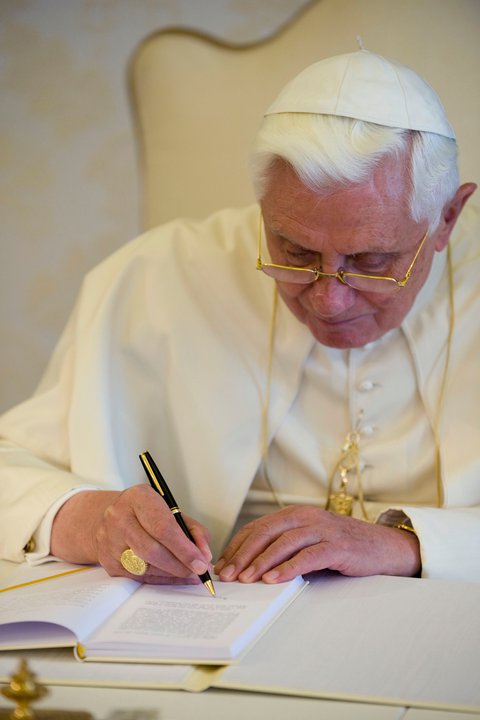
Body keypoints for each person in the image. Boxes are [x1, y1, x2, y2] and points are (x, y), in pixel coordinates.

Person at [0, 49, 478, 585]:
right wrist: (89, 520)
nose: (328, 300)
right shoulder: (158, 275)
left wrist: (408, 545)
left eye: (371, 261)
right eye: (294, 252)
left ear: (447, 219)